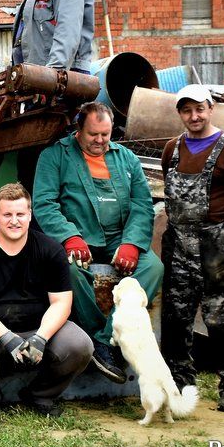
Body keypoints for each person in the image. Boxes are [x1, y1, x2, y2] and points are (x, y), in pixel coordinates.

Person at [32, 101, 163, 384]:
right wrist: (68, 236)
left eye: (106, 134)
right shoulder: (55, 156)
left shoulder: (126, 158)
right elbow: (44, 203)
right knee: (67, 271)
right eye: (94, 134)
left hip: (119, 238)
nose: (101, 141)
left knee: (153, 267)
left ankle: (107, 338)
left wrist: (132, 243)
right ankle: (97, 339)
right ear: (79, 129)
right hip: (78, 238)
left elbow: (142, 204)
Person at [0, 183, 93, 418]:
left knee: (80, 346)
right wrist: (6, 337)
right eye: (7, 214)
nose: (14, 221)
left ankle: (41, 395)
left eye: (20, 214)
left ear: (29, 215)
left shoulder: (50, 249)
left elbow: (61, 303)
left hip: (37, 328)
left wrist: (41, 337)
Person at [160, 84, 224, 412]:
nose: (194, 116)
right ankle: (180, 381)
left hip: (217, 244)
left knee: (221, 313)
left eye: (199, 109)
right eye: (186, 110)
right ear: (180, 113)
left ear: (211, 108)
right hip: (178, 243)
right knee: (175, 315)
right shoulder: (172, 148)